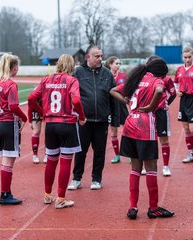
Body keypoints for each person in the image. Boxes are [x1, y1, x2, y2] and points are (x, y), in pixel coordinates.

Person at [110, 58, 174, 220]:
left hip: (130, 124)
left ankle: (133, 207)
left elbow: (113, 90)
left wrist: (125, 100)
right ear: (160, 71)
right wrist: (152, 106)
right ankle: (153, 208)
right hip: (146, 126)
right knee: (151, 169)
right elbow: (160, 91)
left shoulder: (136, 79)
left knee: (135, 169)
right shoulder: (156, 80)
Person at [27, 54, 86, 209]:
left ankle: (47, 195)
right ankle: (61, 198)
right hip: (67, 124)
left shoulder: (46, 80)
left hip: (51, 125)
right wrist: (81, 116)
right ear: (72, 66)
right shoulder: (72, 80)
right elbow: (76, 100)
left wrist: (42, 113)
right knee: (66, 161)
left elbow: (31, 98)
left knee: (51, 161)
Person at [67, 45, 119, 190]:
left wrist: (115, 118)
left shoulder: (107, 74)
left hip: (102, 120)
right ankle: (76, 178)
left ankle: (97, 179)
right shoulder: (77, 73)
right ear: (88, 57)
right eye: (97, 56)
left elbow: (113, 97)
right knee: (80, 151)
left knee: (100, 151)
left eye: (101, 56)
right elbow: (70, 95)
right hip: (83, 121)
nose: (100, 59)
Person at [0, 53, 27, 205]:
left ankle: (6, 193)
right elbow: (13, 106)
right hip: (8, 124)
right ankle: (5, 194)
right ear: (14, 67)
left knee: (5, 161)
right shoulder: (11, 84)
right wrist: (24, 118)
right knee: (8, 162)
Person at [142, 56, 176, 176]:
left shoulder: (166, 79)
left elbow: (173, 93)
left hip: (161, 112)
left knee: (163, 138)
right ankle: (147, 166)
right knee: (147, 139)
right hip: (147, 112)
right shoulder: (143, 79)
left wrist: (166, 104)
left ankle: (166, 166)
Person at [104, 56, 129, 164]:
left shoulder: (123, 75)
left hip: (122, 105)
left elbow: (129, 89)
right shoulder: (105, 75)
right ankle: (117, 155)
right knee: (113, 131)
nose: (119, 65)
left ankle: (130, 154)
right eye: (116, 63)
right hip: (110, 106)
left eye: (119, 63)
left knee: (128, 129)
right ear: (110, 64)